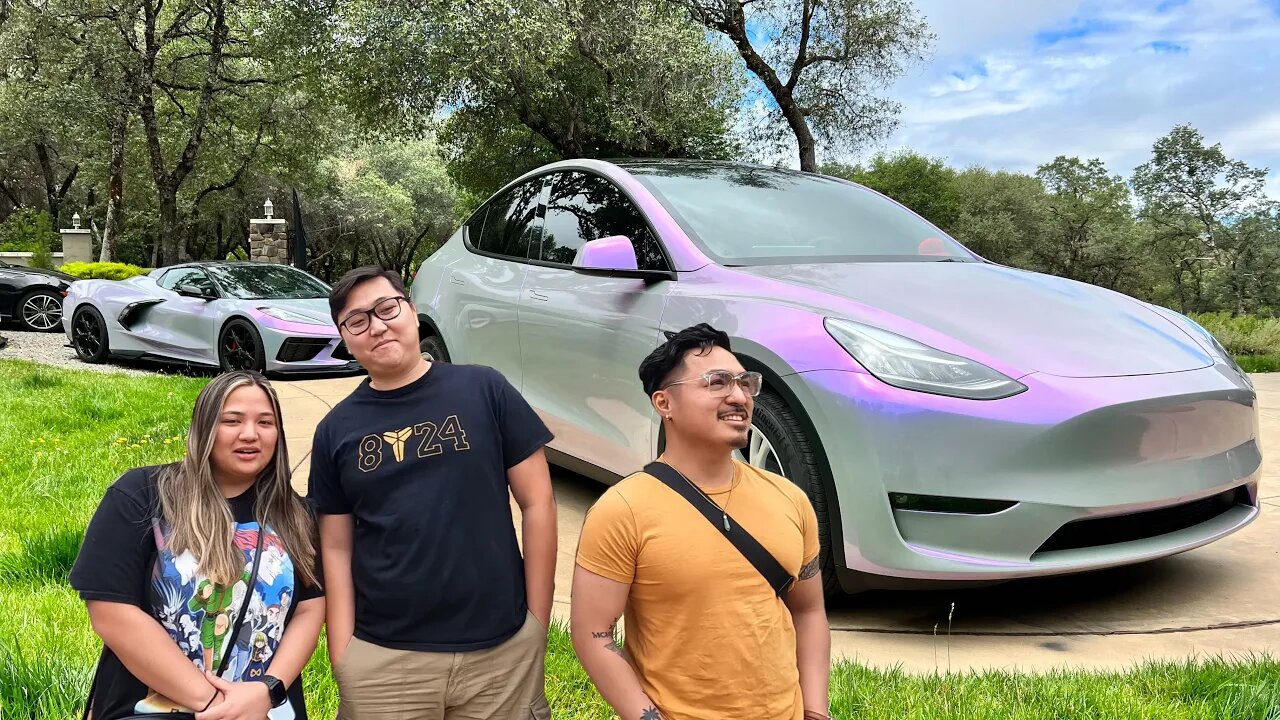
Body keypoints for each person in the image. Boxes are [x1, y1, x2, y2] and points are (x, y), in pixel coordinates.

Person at [308, 266, 557, 719]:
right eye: (357, 321)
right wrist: (343, 651)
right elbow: (335, 544)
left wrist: (536, 619)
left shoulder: (484, 389)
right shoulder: (335, 430)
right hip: (383, 658)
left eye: (387, 308)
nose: (377, 325)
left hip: (501, 651)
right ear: (344, 338)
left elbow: (538, 503)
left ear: (413, 311)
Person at [571, 323, 832, 720]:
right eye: (717, 382)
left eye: (746, 383)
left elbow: (809, 613)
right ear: (664, 404)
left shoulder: (790, 500)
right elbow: (593, 635)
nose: (739, 396)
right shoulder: (622, 510)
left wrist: (815, 711)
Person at [71, 371, 325, 720]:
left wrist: (268, 690)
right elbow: (111, 612)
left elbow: (310, 609)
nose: (250, 434)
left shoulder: (295, 514)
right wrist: (215, 705)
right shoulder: (142, 494)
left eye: (265, 422)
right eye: (231, 420)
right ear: (204, 427)